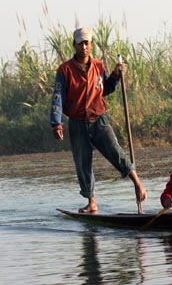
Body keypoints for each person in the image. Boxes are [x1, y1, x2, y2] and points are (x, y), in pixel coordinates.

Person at [50, 27, 147, 214]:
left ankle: (138, 184)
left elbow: (106, 89)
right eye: (80, 43)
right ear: (75, 45)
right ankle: (91, 202)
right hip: (77, 122)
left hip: (99, 120)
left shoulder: (98, 67)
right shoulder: (65, 70)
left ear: (91, 45)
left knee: (116, 152)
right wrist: (57, 123)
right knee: (83, 162)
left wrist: (116, 75)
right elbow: (58, 97)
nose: (84, 46)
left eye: (87, 43)